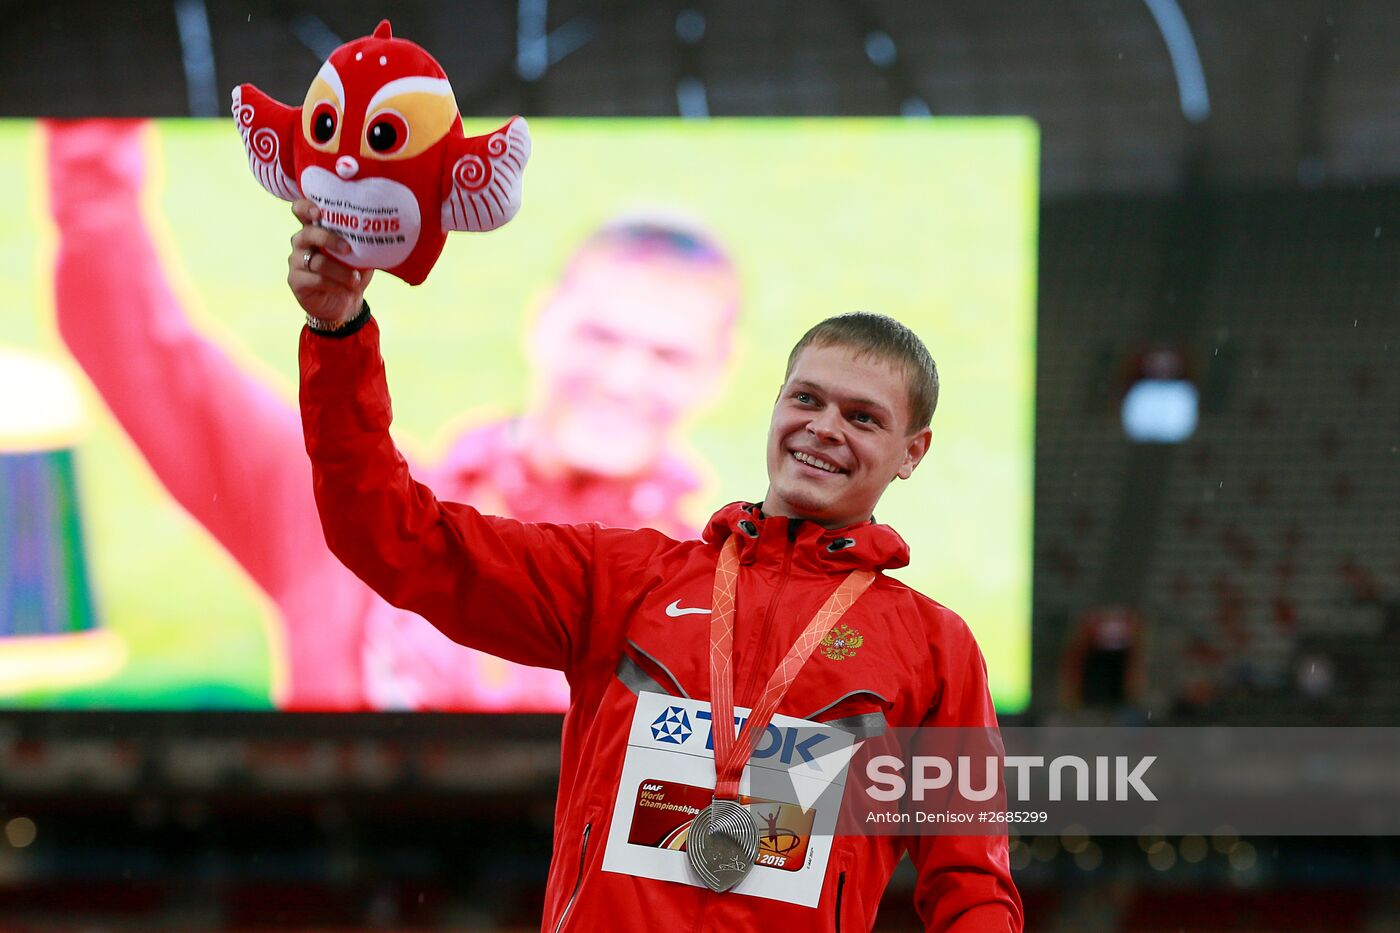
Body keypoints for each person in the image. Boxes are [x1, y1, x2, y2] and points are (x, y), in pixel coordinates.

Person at [291, 200, 1022, 929]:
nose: (824, 427)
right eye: (807, 399)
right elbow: (390, 534)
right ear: (775, 408)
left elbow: (970, 882)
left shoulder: (934, 649)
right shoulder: (624, 578)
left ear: (911, 453)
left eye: (863, 417)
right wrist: (338, 330)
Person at [45, 118, 738, 711]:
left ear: (716, 373)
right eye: (601, 337)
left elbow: (795, 830)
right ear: (542, 323)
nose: (622, 377)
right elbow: (136, 343)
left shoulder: (725, 607)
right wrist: (94, 93)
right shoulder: (341, 496)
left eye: (667, 355)